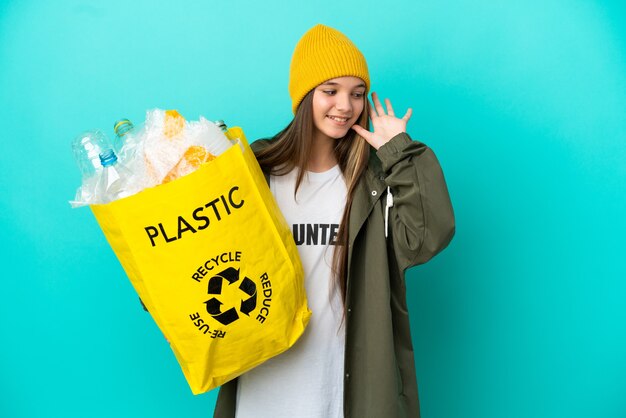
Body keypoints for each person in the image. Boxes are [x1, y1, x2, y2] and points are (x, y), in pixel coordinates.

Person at [213, 23, 455, 418]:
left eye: (357, 94)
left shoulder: (374, 179)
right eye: (330, 91)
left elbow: (428, 236)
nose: (345, 105)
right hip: (264, 386)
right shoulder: (255, 172)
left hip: (346, 391)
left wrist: (400, 152)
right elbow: (201, 253)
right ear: (305, 95)